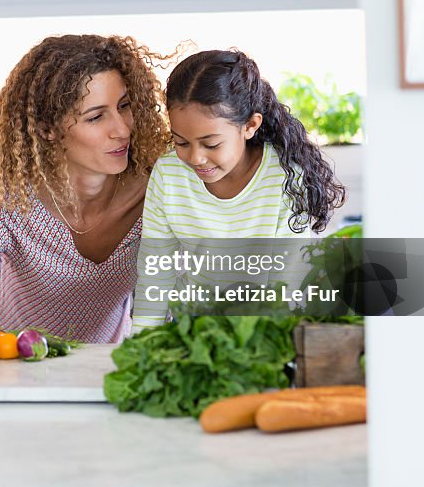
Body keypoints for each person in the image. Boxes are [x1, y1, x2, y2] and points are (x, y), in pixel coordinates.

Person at [0, 34, 170, 343]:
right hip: (13, 365)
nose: (122, 130)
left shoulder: (160, 199)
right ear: (47, 130)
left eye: (124, 106)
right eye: (95, 117)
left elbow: (166, 326)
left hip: (107, 369)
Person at [131, 49, 346, 333]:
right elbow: (155, 273)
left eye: (211, 144)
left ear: (250, 126)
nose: (195, 157)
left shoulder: (286, 177)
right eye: (181, 142)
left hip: (269, 325)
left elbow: (286, 285)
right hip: (195, 326)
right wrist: (142, 345)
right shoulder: (169, 174)